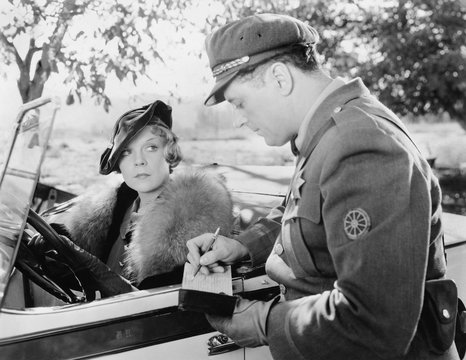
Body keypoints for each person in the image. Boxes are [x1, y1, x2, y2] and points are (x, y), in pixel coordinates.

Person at [186, 13, 460, 360]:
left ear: (280, 78)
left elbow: (372, 322)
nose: (240, 118)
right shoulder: (327, 133)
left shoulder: (359, 143)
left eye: (239, 102)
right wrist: (241, 247)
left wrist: (263, 322)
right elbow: (306, 214)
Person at [40, 100, 233, 294]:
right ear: (118, 163)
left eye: (151, 148)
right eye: (126, 152)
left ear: (169, 154)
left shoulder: (194, 224)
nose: (139, 161)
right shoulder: (115, 209)